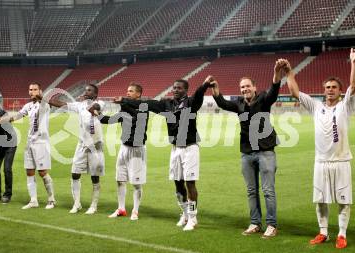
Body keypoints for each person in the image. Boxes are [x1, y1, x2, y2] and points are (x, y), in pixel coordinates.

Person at [116, 79, 211, 231]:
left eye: (179, 88)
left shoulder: (191, 103)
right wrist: (125, 100)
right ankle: (185, 214)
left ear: (185, 90)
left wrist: (205, 85)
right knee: (178, 183)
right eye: (174, 88)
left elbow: (199, 94)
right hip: (175, 149)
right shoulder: (167, 104)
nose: (175, 90)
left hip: (190, 147)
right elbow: (145, 105)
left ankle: (193, 218)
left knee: (190, 183)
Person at [284, 48, 355, 249]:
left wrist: (353, 62)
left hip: (341, 161)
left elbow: (353, 84)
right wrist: (290, 73)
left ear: (340, 91)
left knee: (343, 200)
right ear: (324, 90)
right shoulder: (316, 106)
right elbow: (294, 92)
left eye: (334, 87)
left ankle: (341, 234)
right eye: (327, 87)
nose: (330, 89)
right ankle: (323, 232)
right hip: (321, 162)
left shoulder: (345, 106)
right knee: (320, 200)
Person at [210, 59, 287, 238]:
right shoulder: (239, 104)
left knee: (268, 190)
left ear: (254, 87)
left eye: (247, 86)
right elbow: (222, 103)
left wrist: (276, 73)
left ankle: (271, 225)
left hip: (266, 151)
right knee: (251, 191)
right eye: (242, 87)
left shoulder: (263, 100)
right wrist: (215, 88)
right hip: (246, 153)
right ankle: (255, 223)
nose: (244, 89)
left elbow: (274, 90)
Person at [48, 84, 105, 215]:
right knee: (75, 174)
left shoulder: (100, 103)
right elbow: (62, 104)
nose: (86, 92)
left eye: (89, 91)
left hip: (96, 146)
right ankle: (77, 203)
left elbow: (96, 108)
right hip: (82, 145)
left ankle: (93, 205)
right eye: (85, 90)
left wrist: (89, 105)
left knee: (95, 177)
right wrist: (46, 99)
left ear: (95, 95)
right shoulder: (79, 105)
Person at [0, 82, 55, 210]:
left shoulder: (44, 104)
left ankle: (51, 199)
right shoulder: (28, 106)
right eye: (30, 89)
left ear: (40, 91)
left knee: (42, 172)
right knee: (29, 172)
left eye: (35, 89)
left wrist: (40, 96)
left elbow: (46, 101)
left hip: (41, 143)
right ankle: (33, 200)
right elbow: (16, 116)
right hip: (30, 142)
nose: (32, 92)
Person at [99, 83, 149, 221]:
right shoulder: (125, 108)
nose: (128, 93)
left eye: (131, 91)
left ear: (138, 94)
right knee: (120, 180)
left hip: (137, 149)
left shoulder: (143, 107)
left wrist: (123, 102)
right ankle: (121, 209)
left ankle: (135, 210)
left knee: (136, 183)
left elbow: (135, 114)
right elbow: (110, 120)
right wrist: (96, 114)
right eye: (127, 90)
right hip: (124, 148)